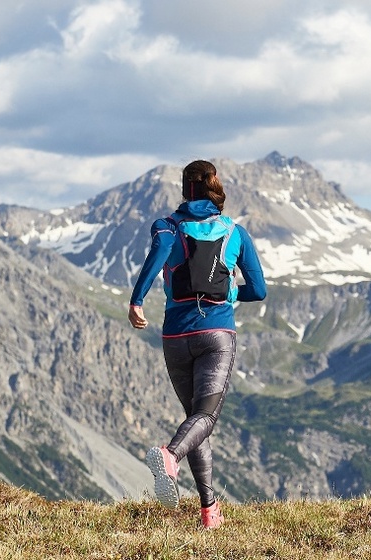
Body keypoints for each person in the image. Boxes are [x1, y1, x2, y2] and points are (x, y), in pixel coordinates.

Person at [128, 159, 267, 529]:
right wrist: (232, 288)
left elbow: (156, 256)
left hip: (175, 336)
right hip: (216, 335)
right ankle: (170, 456)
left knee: (195, 417)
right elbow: (260, 289)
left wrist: (136, 300)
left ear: (184, 188)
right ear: (213, 186)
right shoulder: (234, 231)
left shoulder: (167, 226)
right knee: (204, 418)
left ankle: (209, 511)